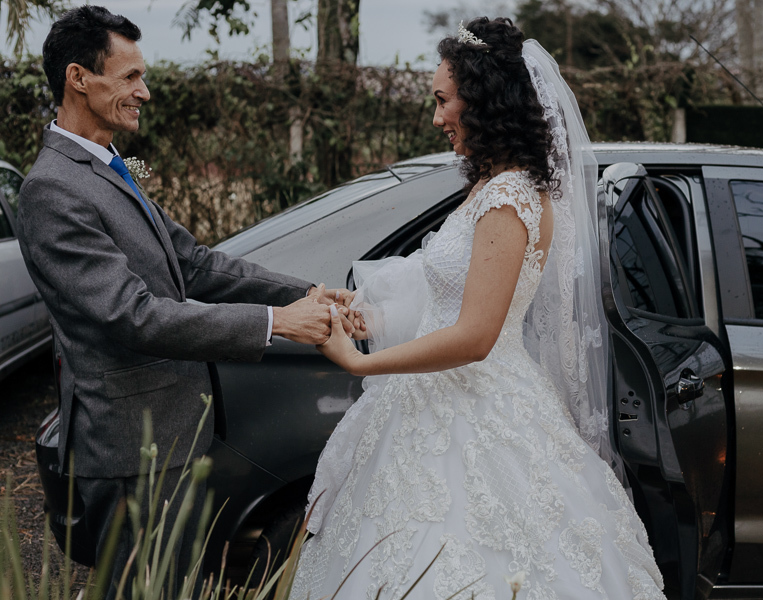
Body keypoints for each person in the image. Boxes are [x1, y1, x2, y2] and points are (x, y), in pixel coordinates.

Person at [290, 17, 665, 600]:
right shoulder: (487, 189)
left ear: (485, 102)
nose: (436, 117)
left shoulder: (510, 197)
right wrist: (365, 306)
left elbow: (476, 335)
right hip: (431, 401)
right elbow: (445, 288)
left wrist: (359, 362)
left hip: (480, 407)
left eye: (443, 101)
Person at [16, 5, 353, 598]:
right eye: (129, 78)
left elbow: (193, 264)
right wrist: (279, 323)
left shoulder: (106, 166)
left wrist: (303, 292)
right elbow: (130, 314)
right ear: (77, 78)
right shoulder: (52, 190)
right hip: (129, 454)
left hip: (172, 438)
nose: (144, 91)